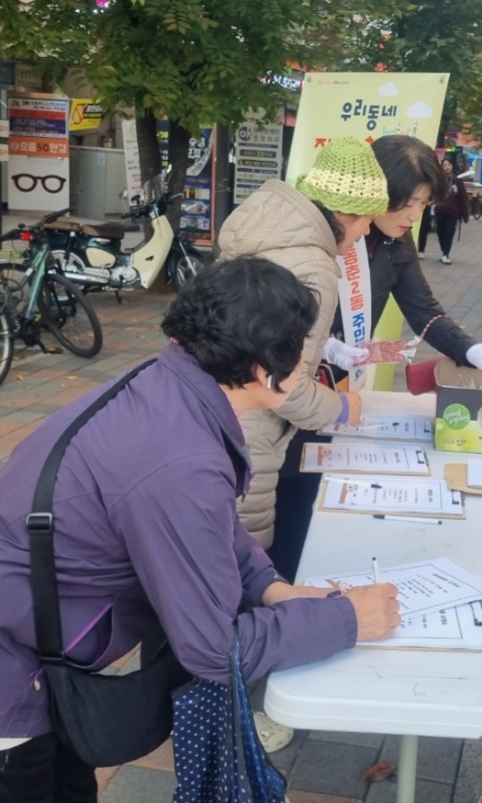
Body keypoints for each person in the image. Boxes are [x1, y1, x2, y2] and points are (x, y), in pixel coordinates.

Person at [0, 257, 400, 803]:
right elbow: (211, 649)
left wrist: (272, 587)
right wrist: (345, 619)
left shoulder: (166, 384)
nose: (306, 363)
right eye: (303, 348)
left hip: (34, 639)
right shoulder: (179, 457)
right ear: (266, 367)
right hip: (11, 679)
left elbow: (210, 526)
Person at [271, 134, 482, 584]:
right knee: (278, 498)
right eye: (406, 202)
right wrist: (324, 344)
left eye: (423, 204)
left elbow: (424, 311)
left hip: (336, 394)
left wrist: (471, 349)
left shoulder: (396, 243)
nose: (413, 216)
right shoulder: (312, 236)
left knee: (314, 498)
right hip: (281, 389)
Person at [217, 137, 390, 550]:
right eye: (366, 219)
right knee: (243, 559)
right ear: (343, 213)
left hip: (213, 416)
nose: (367, 230)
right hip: (251, 436)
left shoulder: (267, 237)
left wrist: (326, 347)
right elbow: (280, 385)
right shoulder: (314, 269)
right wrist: (343, 407)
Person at [434, 154, 469, 264]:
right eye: (444, 165)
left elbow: (463, 198)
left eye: (448, 165)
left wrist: (465, 214)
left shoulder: (458, 181)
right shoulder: (439, 181)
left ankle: (446, 254)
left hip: (453, 212)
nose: (447, 167)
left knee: (449, 233)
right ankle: (444, 251)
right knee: (440, 233)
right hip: (440, 211)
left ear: (452, 166)